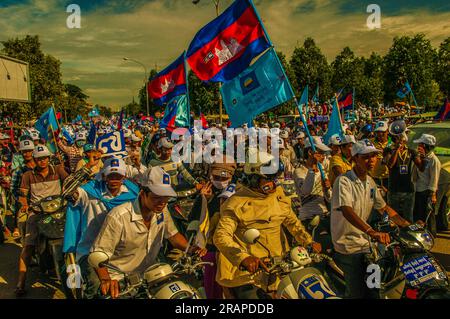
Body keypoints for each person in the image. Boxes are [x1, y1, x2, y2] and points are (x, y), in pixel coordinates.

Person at [213, 148, 321, 299]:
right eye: (269, 178)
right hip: (249, 273)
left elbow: (292, 222)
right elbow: (221, 236)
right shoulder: (236, 202)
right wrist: (244, 258)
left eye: (275, 178)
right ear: (254, 178)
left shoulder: (278, 195)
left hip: (281, 266)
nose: (274, 183)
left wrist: (308, 241)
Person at [89, 167, 206, 299]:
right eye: (157, 197)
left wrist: (190, 249)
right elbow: (98, 254)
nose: (162, 202)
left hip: (152, 276)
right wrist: (106, 280)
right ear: (142, 193)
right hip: (122, 282)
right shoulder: (118, 217)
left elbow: (172, 235)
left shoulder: (162, 211)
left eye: (166, 197)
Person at [331, 139, 411, 299]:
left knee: (375, 289)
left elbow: (384, 208)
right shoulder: (344, 181)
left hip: (367, 245)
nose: (372, 160)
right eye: (366, 157)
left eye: (374, 156)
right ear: (354, 159)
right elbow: (346, 210)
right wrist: (371, 231)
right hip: (349, 246)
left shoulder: (370, 182)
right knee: (358, 293)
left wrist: (408, 225)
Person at [63, 157, 140, 299]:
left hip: (122, 252)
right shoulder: (89, 192)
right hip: (90, 251)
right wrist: (87, 167)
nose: (114, 179)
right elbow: (67, 192)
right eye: (111, 175)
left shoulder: (133, 194)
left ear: (123, 176)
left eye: (118, 175)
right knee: (96, 288)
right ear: (104, 175)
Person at [15, 145, 69, 297]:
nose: (42, 161)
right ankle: (21, 282)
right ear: (35, 159)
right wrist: (25, 205)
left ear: (48, 158)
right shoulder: (27, 175)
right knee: (28, 246)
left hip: (58, 210)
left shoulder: (58, 170)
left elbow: (69, 182)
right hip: (37, 213)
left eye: (44, 157)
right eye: (39, 158)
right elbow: (22, 196)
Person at [385, 121, 422, 223]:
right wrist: (396, 150)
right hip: (394, 189)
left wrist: (423, 155)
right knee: (393, 217)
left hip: (408, 189)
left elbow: (421, 167)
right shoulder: (388, 150)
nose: (399, 139)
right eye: (397, 137)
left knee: (408, 217)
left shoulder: (411, 151)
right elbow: (390, 165)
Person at [294, 136, 332, 223]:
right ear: (310, 152)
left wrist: (326, 190)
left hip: (324, 214)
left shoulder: (322, 170)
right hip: (308, 217)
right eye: (321, 153)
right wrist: (312, 169)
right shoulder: (299, 171)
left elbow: (329, 198)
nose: (323, 156)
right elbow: (306, 191)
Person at [412, 134, 441, 235]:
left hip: (427, 192)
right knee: (419, 215)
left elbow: (434, 178)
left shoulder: (434, 160)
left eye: (420, 145)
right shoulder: (420, 158)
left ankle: (431, 235)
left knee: (428, 216)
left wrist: (432, 194)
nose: (418, 147)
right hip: (418, 190)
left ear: (426, 146)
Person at [10, 139, 36, 240]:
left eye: (29, 150)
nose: (27, 153)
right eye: (24, 151)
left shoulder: (43, 168)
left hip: (44, 203)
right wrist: (23, 202)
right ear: (21, 153)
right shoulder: (18, 171)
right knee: (24, 226)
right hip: (28, 205)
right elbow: (13, 189)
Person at [370, 121, 390, 190]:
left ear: (387, 131)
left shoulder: (392, 143)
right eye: (378, 132)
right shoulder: (370, 142)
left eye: (383, 131)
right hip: (374, 177)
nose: (380, 134)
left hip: (388, 177)